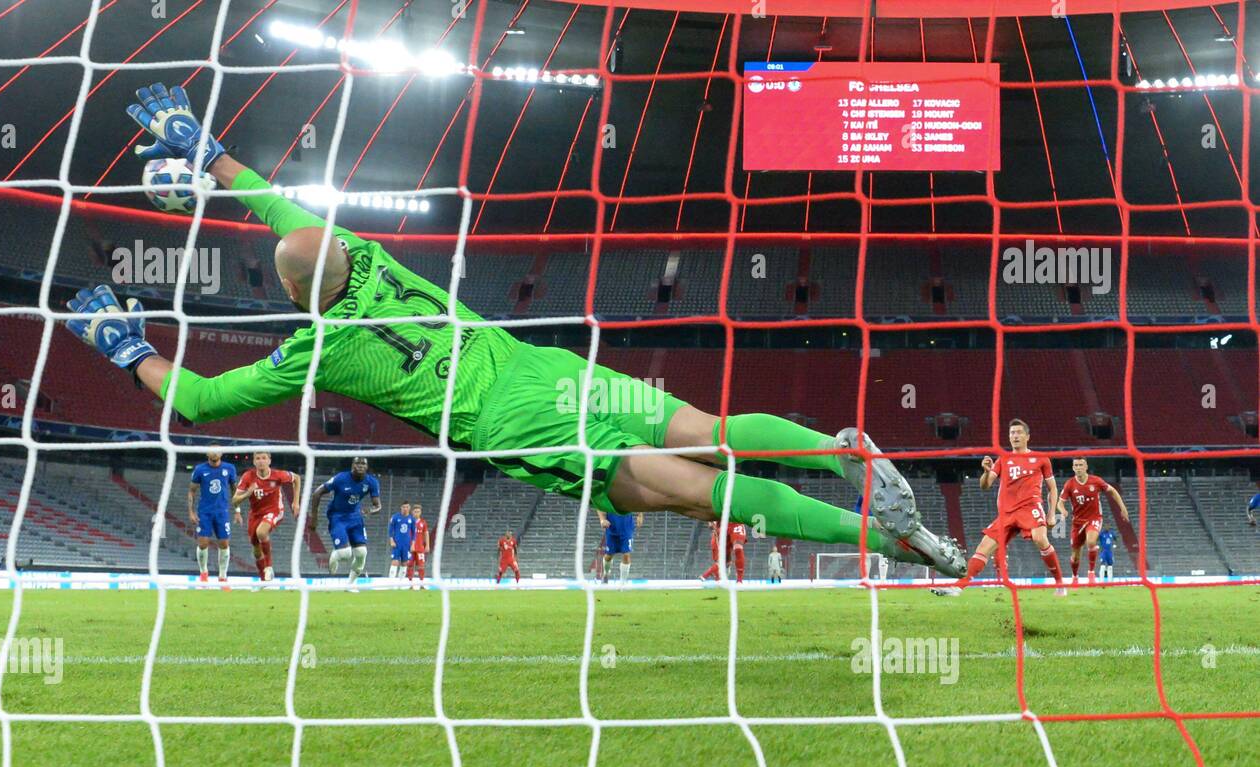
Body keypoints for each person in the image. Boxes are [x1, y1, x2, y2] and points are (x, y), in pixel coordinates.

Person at [64, 82, 965, 579]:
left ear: (299, 293)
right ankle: (834, 445)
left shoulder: (315, 348)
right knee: (722, 435)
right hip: (552, 369)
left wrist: (133, 353)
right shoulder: (371, 258)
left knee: (702, 494)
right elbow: (286, 215)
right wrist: (212, 151)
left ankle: (887, 542)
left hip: (518, 424)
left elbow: (207, 398)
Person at [939, 419, 1064, 596]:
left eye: (1019, 432)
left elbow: (1052, 487)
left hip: (1029, 508)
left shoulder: (1041, 459)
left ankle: (1060, 583)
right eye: (1012, 433)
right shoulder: (1003, 459)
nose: (1015, 436)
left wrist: (1052, 514)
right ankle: (958, 587)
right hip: (1006, 513)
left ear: (1027, 436)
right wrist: (985, 472)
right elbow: (986, 485)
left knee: (1040, 538)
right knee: (983, 548)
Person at [308, 457, 381, 592]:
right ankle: (335, 556)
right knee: (346, 554)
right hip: (337, 517)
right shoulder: (340, 478)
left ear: (367, 467)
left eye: (363, 463)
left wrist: (369, 510)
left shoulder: (371, 482)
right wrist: (314, 518)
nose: (360, 466)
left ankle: (350, 584)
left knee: (361, 553)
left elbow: (378, 506)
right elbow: (317, 493)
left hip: (355, 518)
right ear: (352, 466)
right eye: (357, 463)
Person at [230, 452, 300, 584]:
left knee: (261, 532)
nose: (261, 461)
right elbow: (235, 500)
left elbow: (296, 478)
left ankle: (269, 566)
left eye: (264, 458)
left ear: (269, 461)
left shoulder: (278, 475)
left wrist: (295, 502)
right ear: (254, 462)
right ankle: (264, 581)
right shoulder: (248, 477)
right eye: (258, 458)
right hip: (255, 514)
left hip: (275, 510)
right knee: (256, 550)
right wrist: (248, 493)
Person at [1057, 457, 1128, 584]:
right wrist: (1063, 511)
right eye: (1076, 465)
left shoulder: (1096, 481)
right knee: (1075, 555)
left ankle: (1091, 573)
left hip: (1094, 518)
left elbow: (1112, 491)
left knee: (1091, 541)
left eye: (1081, 465)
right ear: (1073, 468)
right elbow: (1060, 502)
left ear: (1086, 467)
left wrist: (1122, 508)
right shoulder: (1070, 484)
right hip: (1077, 522)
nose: (1078, 467)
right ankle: (1075, 577)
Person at [187, 447, 240, 587]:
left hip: (222, 512)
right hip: (205, 512)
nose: (214, 453)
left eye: (217, 450)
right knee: (203, 543)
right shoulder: (199, 469)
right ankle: (203, 573)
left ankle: (223, 577)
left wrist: (238, 510)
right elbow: (192, 491)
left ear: (221, 453)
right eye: (212, 450)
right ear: (207, 453)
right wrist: (191, 512)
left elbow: (235, 489)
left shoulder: (229, 468)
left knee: (224, 544)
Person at [597, 509, 641, 583]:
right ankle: (606, 574)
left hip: (627, 528)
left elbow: (639, 500)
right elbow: (598, 503)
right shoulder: (608, 497)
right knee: (608, 556)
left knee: (626, 555)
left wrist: (640, 514)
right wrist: (602, 520)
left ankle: (623, 583)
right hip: (611, 528)